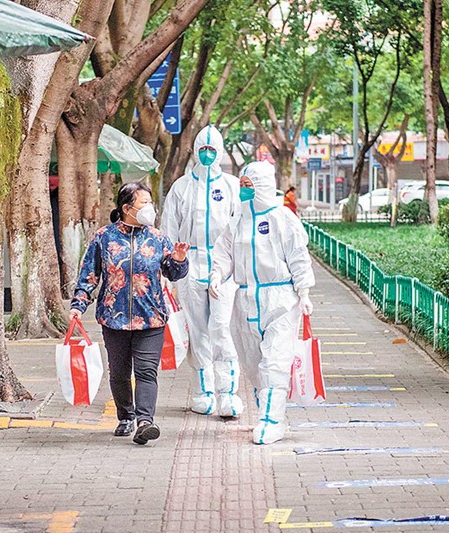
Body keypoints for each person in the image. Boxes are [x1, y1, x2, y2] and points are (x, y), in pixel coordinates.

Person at [69, 182, 190, 445]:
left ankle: (145, 421)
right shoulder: (104, 237)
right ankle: (126, 416)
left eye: (150, 202)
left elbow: (174, 273)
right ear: (127, 208)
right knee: (120, 373)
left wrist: (179, 260)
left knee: (147, 371)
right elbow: (89, 275)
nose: (150, 208)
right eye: (143, 203)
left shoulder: (158, 238)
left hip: (151, 318)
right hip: (114, 318)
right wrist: (78, 306)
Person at [208, 161, 315, 444]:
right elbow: (224, 252)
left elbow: (298, 257)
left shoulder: (283, 218)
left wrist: (304, 292)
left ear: (263, 187)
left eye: (248, 186)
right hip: (245, 299)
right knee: (253, 364)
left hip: (280, 298)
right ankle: (267, 408)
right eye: (241, 185)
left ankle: (271, 420)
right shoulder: (238, 220)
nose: (243, 191)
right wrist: (217, 275)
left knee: (275, 362)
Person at [162, 125, 243, 418]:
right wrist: (168, 272)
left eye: (212, 150)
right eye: (203, 150)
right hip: (189, 267)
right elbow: (168, 231)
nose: (207, 155)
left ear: (219, 152)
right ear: (195, 151)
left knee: (222, 329)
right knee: (196, 331)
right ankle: (203, 390)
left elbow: (242, 229)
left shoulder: (233, 187)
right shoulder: (181, 188)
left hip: (225, 269)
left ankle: (228, 393)